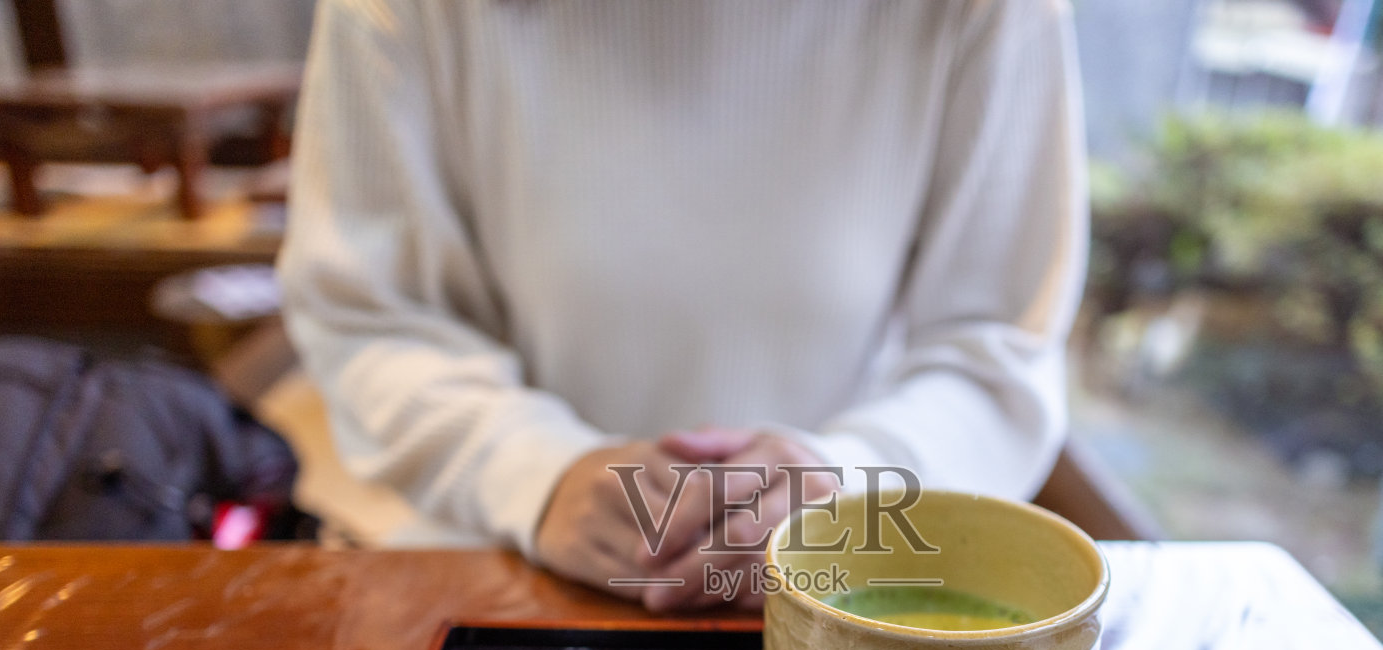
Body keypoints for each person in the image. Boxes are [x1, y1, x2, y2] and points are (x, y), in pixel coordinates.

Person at [278, 0, 1087, 610]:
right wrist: (536, 472)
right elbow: (371, 311)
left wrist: (844, 483)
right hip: (503, 568)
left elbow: (998, 346)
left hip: (838, 583)